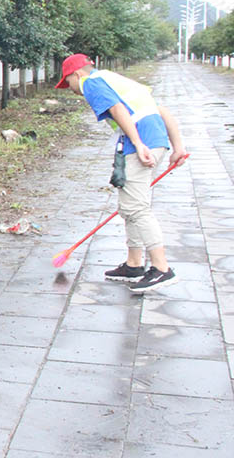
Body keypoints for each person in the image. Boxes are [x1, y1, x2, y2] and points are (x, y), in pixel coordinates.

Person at [56, 53, 188, 293]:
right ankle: (134, 264)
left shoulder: (90, 83)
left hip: (142, 144)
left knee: (136, 208)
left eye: (68, 82)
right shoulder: (113, 79)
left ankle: (162, 269)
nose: (70, 89)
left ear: (76, 74)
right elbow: (161, 110)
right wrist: (177, 147)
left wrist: (138, 144)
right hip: (154, 141)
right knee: (130, 206)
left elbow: (117, 109)